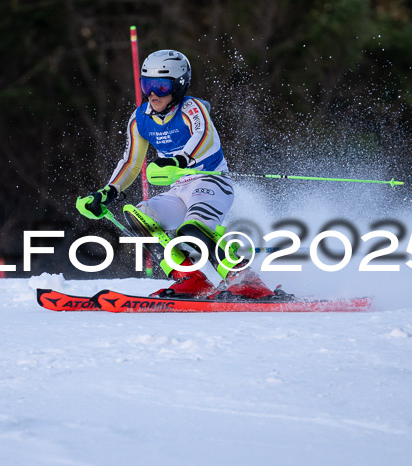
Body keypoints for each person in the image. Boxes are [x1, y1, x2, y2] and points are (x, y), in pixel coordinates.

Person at [76, 49, 273, 300]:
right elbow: (131, 163)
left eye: (161, 86)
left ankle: (245, 279)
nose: (152, 94)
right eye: (147, 84)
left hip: (212, 182)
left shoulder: (193, 108)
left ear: (178, 86)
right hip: (179, 191)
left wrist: (178, 160)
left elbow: (205, 138)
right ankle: (189, 278)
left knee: (192, 231)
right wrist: (107, 193)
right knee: (139, 216)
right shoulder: (140, 120)